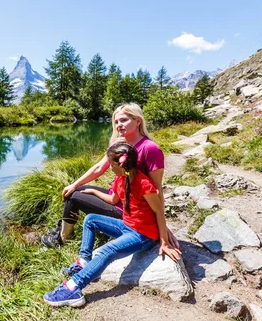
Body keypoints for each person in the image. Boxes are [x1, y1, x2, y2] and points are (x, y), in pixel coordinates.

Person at [43, 141, 181, 307]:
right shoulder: (120, 178)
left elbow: (159, 211)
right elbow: (113, 199)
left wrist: (164, 241)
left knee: (107, 251)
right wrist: (93, 191)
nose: (109, 167)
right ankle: (84, 262)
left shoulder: (144, 184)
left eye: (111, 164)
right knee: (91, 220)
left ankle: (73, 288)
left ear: (121, 165)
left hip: (143, 236)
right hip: (127, 226)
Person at [41, 103, 179, 250]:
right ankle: (63, 229)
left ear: (138, 121)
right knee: (76, 190)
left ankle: (61, 240)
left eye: (124, 120)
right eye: (116, 121)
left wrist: (162, 226)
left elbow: (157, 190)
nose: (119, 125)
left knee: (74, 198)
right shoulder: (121, 144)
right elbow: (99, 167)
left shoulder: (150, 149)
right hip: (117, 197)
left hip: (128, 210)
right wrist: (74, 184)